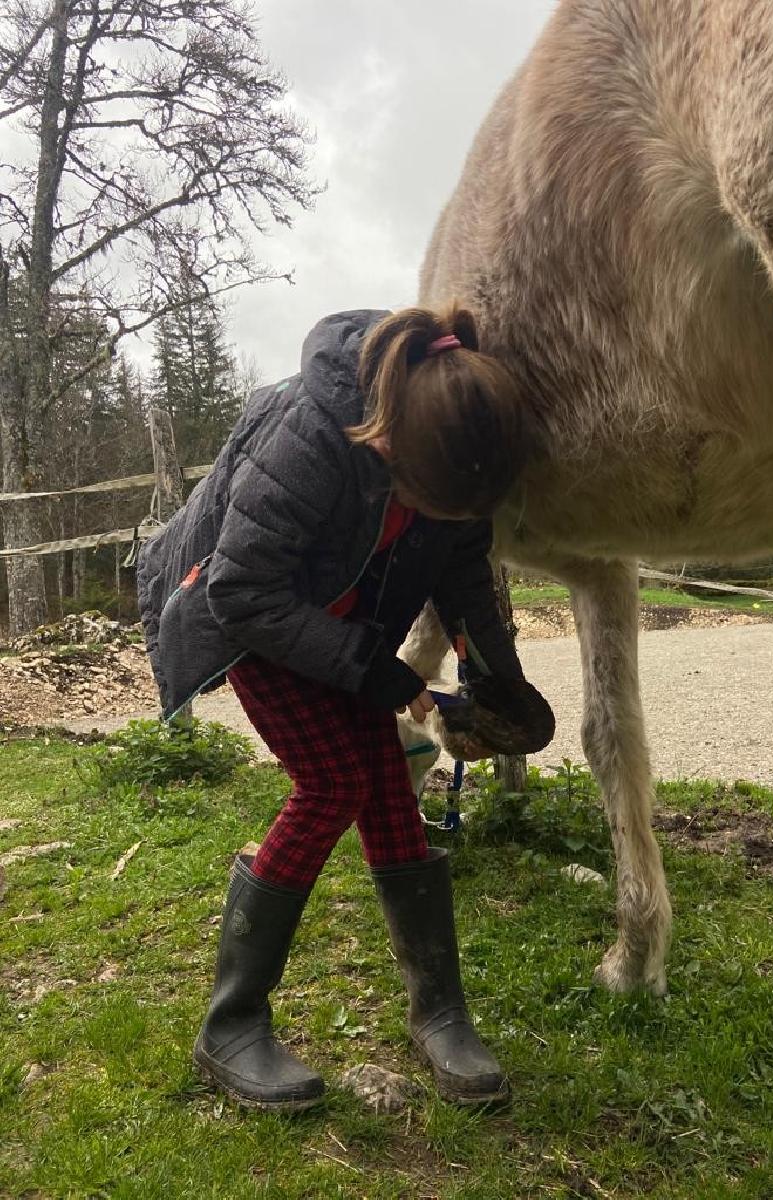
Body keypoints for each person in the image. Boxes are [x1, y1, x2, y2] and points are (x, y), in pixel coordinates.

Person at [136, 305, 543, 1112]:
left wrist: (497, 678)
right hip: (248, 619)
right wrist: (386, 677)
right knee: (332, 784)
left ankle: (438, 1009)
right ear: (387, 442)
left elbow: (465, 579)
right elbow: (243, 591)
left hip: (336, 625)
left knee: (387, 787)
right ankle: (231, 1024)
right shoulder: (310, 436)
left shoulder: (454, 441)